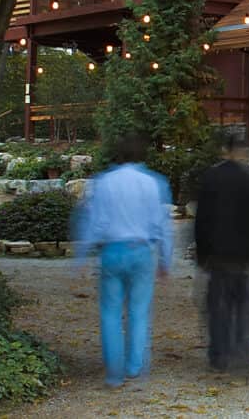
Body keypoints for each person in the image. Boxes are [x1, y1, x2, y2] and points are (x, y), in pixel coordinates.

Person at [74, 132, 173, 387]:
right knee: (139, 312)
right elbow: (161, 225)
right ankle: (134, 365)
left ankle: (114, 373)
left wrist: (82, 254)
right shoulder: (154, 182)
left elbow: (95, 222)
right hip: (141, 251)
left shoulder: (104, 182)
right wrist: (165, 260)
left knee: (110, 312)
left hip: (112, 252)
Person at [193, 131, 249, 378]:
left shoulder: (211, 177)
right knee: (242, 309)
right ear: (242, 153)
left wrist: (201, 253)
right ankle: (241, 356)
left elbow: (202, 220)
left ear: (226, 150)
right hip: (242, 255)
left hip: (218, 253)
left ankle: (219, 356)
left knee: (218, 307)